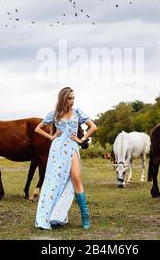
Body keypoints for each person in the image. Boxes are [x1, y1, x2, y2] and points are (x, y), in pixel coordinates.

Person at [34, 87, 97, 230]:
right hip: (57, 150)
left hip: (72, 147)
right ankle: (52, 215)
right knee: (54, 181)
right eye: (69, 98)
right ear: (63, 99)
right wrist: (51, 137)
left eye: (73, 98)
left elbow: (93, 127)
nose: (72, 101)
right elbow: (38, 128)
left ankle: (85, 217)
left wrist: (82, 140)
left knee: (75, 177)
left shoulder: (77, 112)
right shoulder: (54, 114)